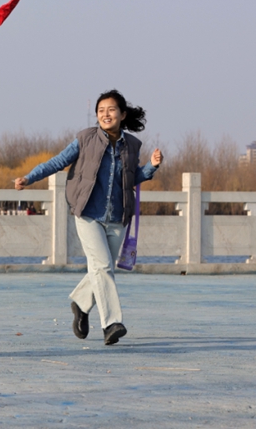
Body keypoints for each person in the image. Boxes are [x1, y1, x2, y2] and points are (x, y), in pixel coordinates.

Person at [14, 90, 163, 346]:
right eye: (101, 110)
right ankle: (111, 324)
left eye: (111, 110)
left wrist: (150, 167)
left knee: (102, 268)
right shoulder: (85, 139)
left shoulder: (133, 146)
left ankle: (81, 304)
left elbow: (132, 178)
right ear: (97, 116)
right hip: (87, 213)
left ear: (122, 114)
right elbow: (58, 161)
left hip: (117, 215)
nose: (106, 114)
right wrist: (29, 177)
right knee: (103, 266)